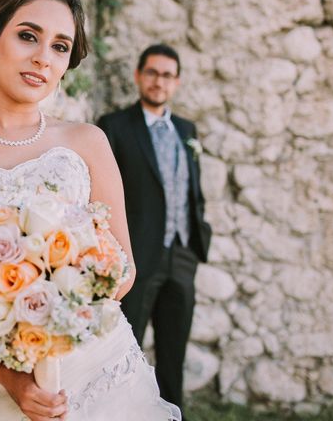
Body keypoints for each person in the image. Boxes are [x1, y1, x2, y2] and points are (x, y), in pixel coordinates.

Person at [0, 0, 181, 421]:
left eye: (59, 47)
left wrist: (58, 302)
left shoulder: (87, 141)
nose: (42, 58)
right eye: (28, 36)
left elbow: (123, 266)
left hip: (97, 367)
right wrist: (7, 372)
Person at [97, 44, 212, 414]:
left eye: (166, 75)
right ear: (138, 76)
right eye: (152, 72)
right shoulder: (114, 127)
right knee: (123, 349)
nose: (158, 81)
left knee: (173, 353)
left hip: (182, 256)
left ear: (176, 82)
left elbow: (193, 189)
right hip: (136, 257)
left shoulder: (186, 130)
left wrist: (197, 240)